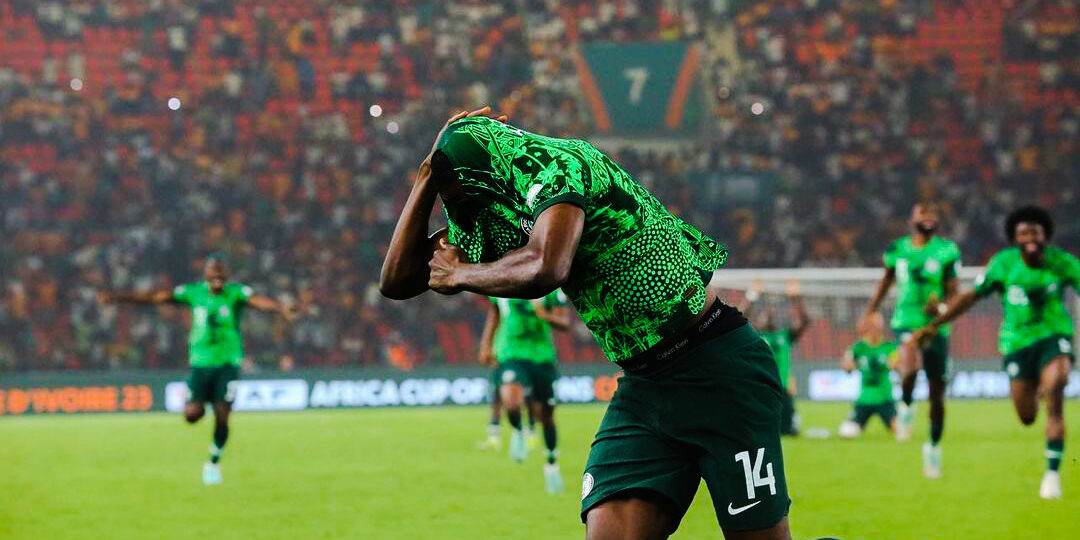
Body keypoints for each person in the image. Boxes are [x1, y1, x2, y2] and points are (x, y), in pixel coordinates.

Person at [381, 107, 790, 539]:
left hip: (717, 369)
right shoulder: (496, 205)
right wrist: (427, 175)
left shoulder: (563, 164)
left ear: (485, 170)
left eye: (456, 192)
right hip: (645, 387)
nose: (456, 207)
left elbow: (546, 267)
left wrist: (461, 274)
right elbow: (397, 280)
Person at [913, 206, 1078, 500]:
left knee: (1055, 391)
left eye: (1035, 232)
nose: (1030, 237)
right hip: (1016, 344)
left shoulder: (1063, 263)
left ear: (1045, 236)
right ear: (1015, 238)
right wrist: (935, 324)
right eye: (1023, 233)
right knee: (1027, 416)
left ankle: (1052, 474)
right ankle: (1040, 384)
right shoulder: (1003, 264)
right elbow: (969, 297)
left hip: (1054, 336)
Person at [99, 255, 297, 485]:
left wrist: (280, 307)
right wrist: (118, 297)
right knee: (192, 415)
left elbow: (259, 301)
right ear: (206, 275)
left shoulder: (235, 293)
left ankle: (213, 462)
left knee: (222, 417)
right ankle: (201, 404)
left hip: (228, 364)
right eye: (213, 273)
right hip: (201, 364)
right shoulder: (193, 293)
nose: (217, 278)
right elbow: (157, 297)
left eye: (221, 274)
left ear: (226, 276)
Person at [861, 202, 960, 478]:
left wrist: (940, 306)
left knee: (937, 393)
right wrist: (871, 310)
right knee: (909, 363)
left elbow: (954, 292)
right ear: (912, 219)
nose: (928, 219)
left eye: (932, 214)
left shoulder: (947, 250)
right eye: (922, 215)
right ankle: (905, 403)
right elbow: (886, 281)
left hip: (937, 327)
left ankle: (933, 448)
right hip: (906, 320)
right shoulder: (897, 250)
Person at [478, 290, 572, 493]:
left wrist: (544, 314)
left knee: (546, 417)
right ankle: (519, 431)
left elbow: (565, 322)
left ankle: (551, 464)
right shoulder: (502, 285)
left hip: (542, 356)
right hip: (511, 352)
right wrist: (486, 345)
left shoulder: (551, 288)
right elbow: (495, 314)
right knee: (511, 401)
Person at [740, 281, 809, 436]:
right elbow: (739, 319)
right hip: (761, 389)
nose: (769, 316)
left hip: (782, 388)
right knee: (762, 431)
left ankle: (792, 420)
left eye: (772, 315)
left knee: (788, 432)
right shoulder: (756, 336)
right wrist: (752, 296)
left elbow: (804, 322)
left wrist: (795, 297)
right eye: (765, 314)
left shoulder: (785, 336)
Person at [837, 313, 899, 439]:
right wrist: (849, 365)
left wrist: (893, 364)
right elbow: (846, 365)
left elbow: (896, 364)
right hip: (864, 399)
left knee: (900, 432)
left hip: (885, 397)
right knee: (848, 432)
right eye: (873, 325)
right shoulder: (858, 347)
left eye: (878, 325)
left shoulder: (889, 347)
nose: (875, 328)